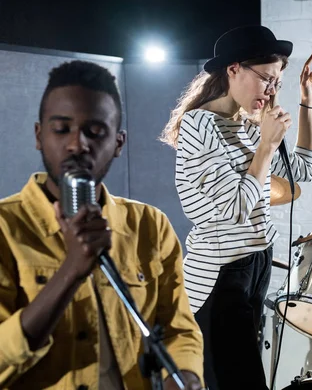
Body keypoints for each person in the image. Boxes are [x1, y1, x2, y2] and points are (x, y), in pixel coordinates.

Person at [0, 61, 204, 389]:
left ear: (118, 143)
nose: (78, 144)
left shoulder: (150, 226)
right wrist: (70, 271)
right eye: (62, 129)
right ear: (39, 136)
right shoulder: (5, 228)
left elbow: (179, 329)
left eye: (95, 132)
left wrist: (186, 376)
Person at [159, 25, 312, 390]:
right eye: (266, 78)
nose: (271, 90)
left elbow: (304, 171)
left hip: (257, 264)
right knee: (239, 380)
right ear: (233, 69)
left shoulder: (243, 126)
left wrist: (307, 101)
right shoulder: (198, 125)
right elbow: (235, 208)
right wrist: (266, 146)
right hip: (222, 275)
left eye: (277, 83)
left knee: (239, 377)